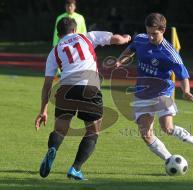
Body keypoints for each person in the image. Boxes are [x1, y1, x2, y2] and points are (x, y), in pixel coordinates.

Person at [35, 17, 131, 180]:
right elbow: (116, 39)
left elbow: (47, 85)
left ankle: (53, 148)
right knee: (92, 131)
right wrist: (127, 38)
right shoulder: (87, 36)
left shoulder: (55, 51)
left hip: (66, 88)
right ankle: (75, 168)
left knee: (59, 130)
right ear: (74, 30)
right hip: (90, 85)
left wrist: (43, 110)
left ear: (59, 34)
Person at [116, 13, 193, 163]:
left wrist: (186, 91)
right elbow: (130, 50)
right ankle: (169, 160)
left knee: (167, 128)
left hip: (162, 92)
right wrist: (119, 61)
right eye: (148, 33)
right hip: (142, 93)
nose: (150, 37)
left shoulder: (170, 53)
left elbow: (183, 75)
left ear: (163, 30)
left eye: (154, 34)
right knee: (145, 134)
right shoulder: (141, 39)